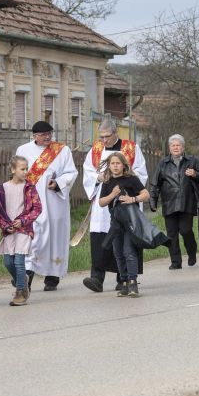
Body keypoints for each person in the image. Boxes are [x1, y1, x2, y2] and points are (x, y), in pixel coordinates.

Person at [81, 119, 148, 294]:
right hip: (103, 203)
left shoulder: (132, 148)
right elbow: (88, 171)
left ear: (115, 133)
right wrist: (98, 178)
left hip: (125, 202)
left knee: (125, 241)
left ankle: (123, 279)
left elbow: (141, 172)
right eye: (101, 137)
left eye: (107, 136)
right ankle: (97, 278)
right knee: (100, 238)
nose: (104, 140)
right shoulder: (95, 150)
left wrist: (125, 184)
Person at [16, 121, 77, 291]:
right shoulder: (23, 150)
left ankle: (52, 277)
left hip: (54, 201)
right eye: (43, 135)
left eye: (50, 133)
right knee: (33, 237)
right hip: (31, 201)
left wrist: (58, 183)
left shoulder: (62, 150)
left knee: (55, 237)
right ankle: (27, 275)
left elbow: (71, 172)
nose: (48, 137)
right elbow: (18, 172)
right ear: (34, 136)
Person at [149, 134, 199, 269]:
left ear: (183, 147)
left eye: (178, 145)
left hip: (186, 202)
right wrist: (153, 201)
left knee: (186, 230)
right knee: (171, 234)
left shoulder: (192, 161)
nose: (176, 147)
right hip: (169, 203)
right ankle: (176, 262)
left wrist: (195, 174)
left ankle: (192, 252)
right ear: (169, 148)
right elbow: (155, 184)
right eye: (173, 145)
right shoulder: (163, 163)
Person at [0, 156, 43, 306]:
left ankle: (20, 291)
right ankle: (23, 280)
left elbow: (37, 208)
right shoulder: (2, 189)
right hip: (9, 230)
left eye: (26, 168)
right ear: (13, 170)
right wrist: (5, 225)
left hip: (24, 229)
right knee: (8, 262)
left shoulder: (30, 188)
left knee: (19, 261)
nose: (26, 172)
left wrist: (23, 221)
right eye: (22, 169)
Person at [98, 151, 149, 297]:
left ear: (123, 165)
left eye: (117, 163)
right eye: (112, 163)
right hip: (115, 223)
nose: (115, 166)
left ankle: (133, 282)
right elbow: (101, 202)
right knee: (118, 253)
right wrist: (113, 195)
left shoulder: (131, 179)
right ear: (109, 166)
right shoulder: (107, 182)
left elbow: (146, 194)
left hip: (131, 222)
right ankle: (124, 282)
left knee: (129, 251)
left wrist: (132, 199)